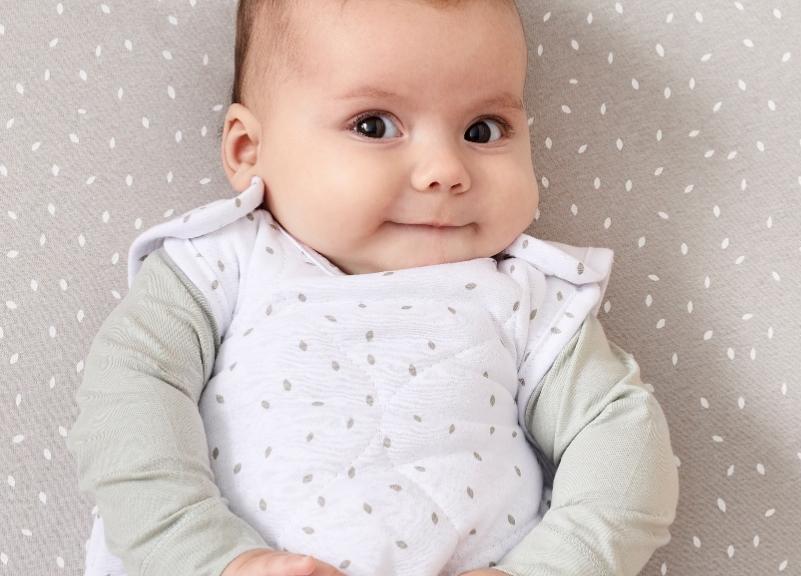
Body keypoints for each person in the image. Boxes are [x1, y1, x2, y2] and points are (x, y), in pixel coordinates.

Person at [67, 1, 679, 575]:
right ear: (249, 149)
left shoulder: (527, 295)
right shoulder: (220, 262)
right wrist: (208, 556)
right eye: (374, 124)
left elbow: (622, 435)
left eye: (483, 131)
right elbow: (130, 394)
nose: (445, 171)